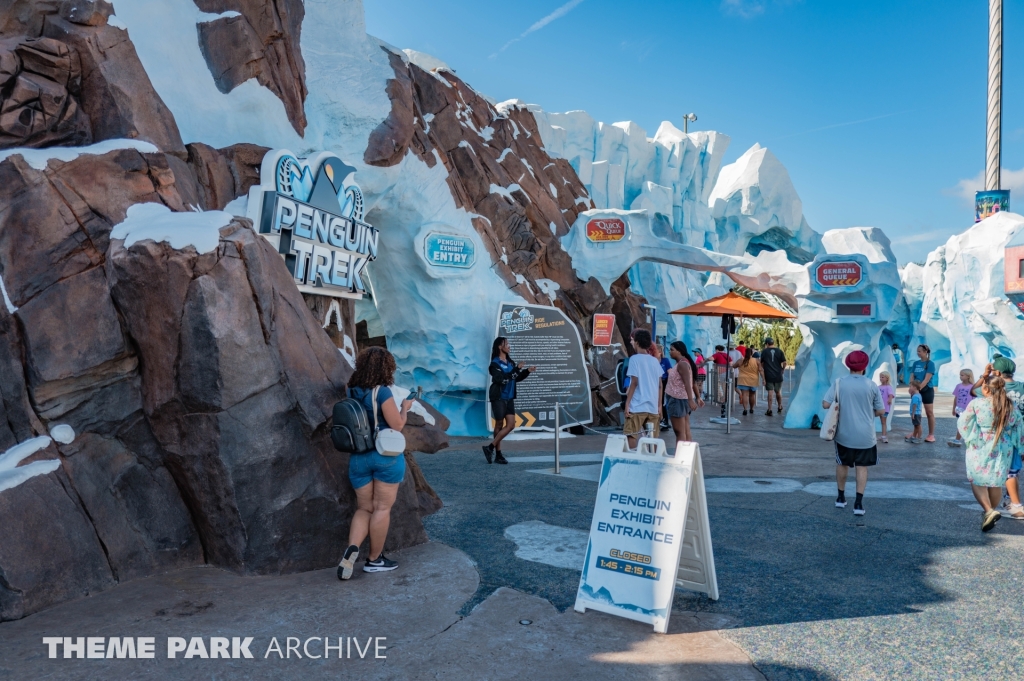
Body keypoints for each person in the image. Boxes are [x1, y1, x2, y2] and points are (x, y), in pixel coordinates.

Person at [338, 347, 414, 580]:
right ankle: (374, 560)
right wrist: (404, 409)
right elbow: (397, 425)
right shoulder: (382, 393)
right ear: (386, 368)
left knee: (364, 508)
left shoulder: (350, 389)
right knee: (381, 508)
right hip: (385, 456)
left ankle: (351, 550)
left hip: (358, 457)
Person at [958, 373, 1024, 531]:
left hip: (982, 443)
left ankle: (989, 511)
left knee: (976, 478)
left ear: (986, 389)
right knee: (996, 480)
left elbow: (964, 423)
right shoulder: (1010, 405)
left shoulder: (977, 403)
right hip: (1004, 445)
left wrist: (970, 437)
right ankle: (990, 513)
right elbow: (1019, 428)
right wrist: (1019, 447)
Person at [822, 351, 884, 516]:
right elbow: (881, 410)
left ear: (848, 365)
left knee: (842, 464)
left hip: (844, 434)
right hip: (866, 436)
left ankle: (841, 498)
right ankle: (858, 503)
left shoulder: (839, 383)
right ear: (864, 366)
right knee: (861, 467)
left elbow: (825, 404)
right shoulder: (871, 385)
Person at [975, 358, 1024, 519]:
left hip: (1002, 438)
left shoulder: (994, 388)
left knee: (1008, 472)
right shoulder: (1022, 387)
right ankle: (1010, 498)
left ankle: (1016, 506)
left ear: (996, 372)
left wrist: (984, 375)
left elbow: (972, 391)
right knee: (1014, 470)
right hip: (1020, 436)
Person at [483, 337, 534, 465]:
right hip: (499, 397)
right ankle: (498, 455)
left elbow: (515, 378)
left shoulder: (510, 362)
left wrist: (527, 371)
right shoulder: (494, 365)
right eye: (506, 344)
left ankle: (490, 448)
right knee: (499, 425)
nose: (509, 346)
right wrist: (516, 369)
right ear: (500, 347)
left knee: (511, 425)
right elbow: (502, 379)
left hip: (509, 397)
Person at [623, 329, 663, 447]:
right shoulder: (655, 361)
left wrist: (627, 404)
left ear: (637, 342)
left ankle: (633, 460)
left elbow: (634, 382)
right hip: (652, 406)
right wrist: (659, 405)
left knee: (631, 435)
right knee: (652, 438)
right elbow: (660, 385)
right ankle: (653, 461)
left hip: (637, 405)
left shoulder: (634, 359)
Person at [666, 341, 704, 442]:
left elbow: (688, 382)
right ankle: (687, 454)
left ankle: (680, 455)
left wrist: (691, 400)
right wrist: (698, 397)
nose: (670, 352)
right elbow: (692, 382)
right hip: (681, 400)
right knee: (685, 431)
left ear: (679, 351)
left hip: (677, 400)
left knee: (680, 432)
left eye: (672, 350)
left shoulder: (682, 364)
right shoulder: (683, 363)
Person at [910, 345, 937, 442]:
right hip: (916, 391)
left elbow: (927, 379)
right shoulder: (915, 363)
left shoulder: (930, 363)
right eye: (917, 351)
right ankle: (915, 432)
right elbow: (912, 376)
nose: (918, 353)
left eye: (920, 351)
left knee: (929, 413)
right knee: (915, 412)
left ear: (925, 352)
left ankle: (931, 435)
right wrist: (911, 387)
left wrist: (918, 389)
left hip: (926, 390)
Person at [760, 337, 787, 416]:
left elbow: (761, 363)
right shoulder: (779, 351)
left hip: (768, 375)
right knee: (778, 392)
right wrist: (782, 369)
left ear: (767, 344)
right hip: (778, 375)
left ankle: (770, 409)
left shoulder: (764, 351)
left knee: (770, 393)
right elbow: (785, 362)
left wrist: (765, 368)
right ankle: (779, 406)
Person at [948, 369, 976, 447]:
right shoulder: (958, 386)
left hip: (968, 410)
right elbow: (956, 397)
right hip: (959, 409)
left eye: (962, 375)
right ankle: (959, 439)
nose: (960, 377)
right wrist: (954, 408)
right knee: (961, 424)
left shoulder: (973, 387)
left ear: (968, 376)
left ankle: (958, 439)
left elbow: (974, 399)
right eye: (960, 375)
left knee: (964, 424)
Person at [733, 347, 760, 416]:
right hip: (753, 380)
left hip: (743, 380)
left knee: (745, 395)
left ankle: (745, 409)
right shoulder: (756, 360)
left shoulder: (741, 360)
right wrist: (764, 379)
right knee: (752, 395)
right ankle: (751, 409)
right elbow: (761, 370)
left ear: (745, 353)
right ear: (752, 353)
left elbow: (734, 366)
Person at [655, 344, 672, 429]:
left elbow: (670, 372)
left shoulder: (665, 360)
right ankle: (658, 419)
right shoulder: (652, 360)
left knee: (662, 401)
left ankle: (665, 420)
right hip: (655, 382)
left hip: (664, 382)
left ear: (660, 352)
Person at [877, 371, 895, 444]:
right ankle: (883, 435)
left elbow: (891, 394)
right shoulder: (878, 387)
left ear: (887, 378)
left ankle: (884, 436)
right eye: (880, 377)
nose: (881, 378)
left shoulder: (888, 387)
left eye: (882, 377)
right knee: (882, 421)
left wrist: (890, 399)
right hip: (879, 407)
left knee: (884, 422)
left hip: (885, 408)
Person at [907, 380, 923, 444]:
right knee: (916, 426)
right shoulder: (918, 395)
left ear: (915, 387)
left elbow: (915, 405)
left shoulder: (915, 396)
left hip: (916, 413)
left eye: (911, 386)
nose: (910, 388)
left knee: (917, 426)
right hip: (917, 413)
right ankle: (914, 437)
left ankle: (918, 438)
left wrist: (913, 413)